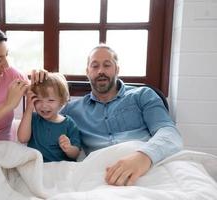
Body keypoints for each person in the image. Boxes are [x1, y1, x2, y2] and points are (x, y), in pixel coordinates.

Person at [60, 44, 183, 186]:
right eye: (95, 66)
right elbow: (45, 126)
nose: (101, 71)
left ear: (117, 69)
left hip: (147, 168)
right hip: (100, 176)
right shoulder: (72, 110)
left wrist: (145, 156)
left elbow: (170, 132)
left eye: (107, 65)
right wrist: (42, 82)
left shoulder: (143, 95)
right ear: (87, 71)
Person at [17, 73, 81, 162]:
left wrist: (69, 148)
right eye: (38, 100)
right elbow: (22, 139)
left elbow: (75, 154)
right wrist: (29, 108)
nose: (44, 106)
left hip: (60, 169)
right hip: (38, 167)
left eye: (50, 100)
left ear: (62, 101)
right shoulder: (33, 118)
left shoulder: (69, 124)